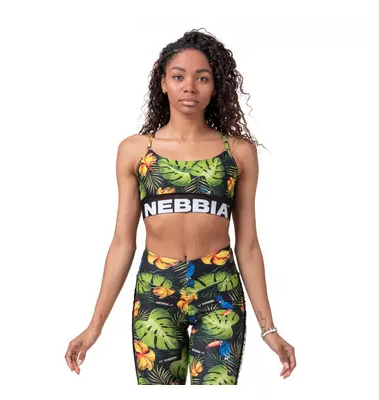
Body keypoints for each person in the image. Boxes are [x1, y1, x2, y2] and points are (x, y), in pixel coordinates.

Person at [65, 28, 296, 385]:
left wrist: (270, 329)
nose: (189, 87)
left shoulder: (238, 152)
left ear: (215, 86)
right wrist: (94, 327)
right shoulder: (135, 151)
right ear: (162, 83)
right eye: (178, 77)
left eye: (202, 78)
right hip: (155, 292)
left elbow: (248, 244)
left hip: (219, 292)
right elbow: (123, 242)